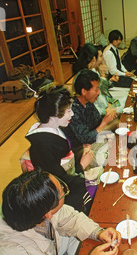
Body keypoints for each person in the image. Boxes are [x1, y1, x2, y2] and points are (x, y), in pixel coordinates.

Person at [26, 86, 94, 214]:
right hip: (62, 194)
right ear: (54, 114)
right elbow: (57, 179)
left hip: (71, 173)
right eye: (68, 111)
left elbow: (69, 147)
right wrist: (82, 165)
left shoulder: (56, 127)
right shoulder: (42, 144)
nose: (72, 114)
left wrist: (83, 148)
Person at [63, 69, 117, 167]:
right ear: (84, 91)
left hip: (96, 142)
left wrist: (109, 118)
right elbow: (86, 138)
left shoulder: (88, 103)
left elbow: (97, 122)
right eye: (96, 89)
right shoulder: (73, 110)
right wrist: (104, 123)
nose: (99, 92)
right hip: (83, 152)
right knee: (116, 158)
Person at [72, 43, 121, 115]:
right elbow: (98, 97)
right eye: (100, 56)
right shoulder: (87, 76)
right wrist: (107, 109)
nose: (102, 59)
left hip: (97, 107)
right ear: (94, 59)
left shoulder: (89, 71)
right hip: (94, 112)